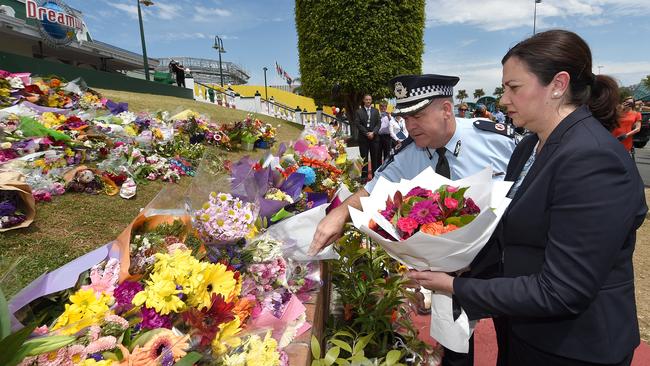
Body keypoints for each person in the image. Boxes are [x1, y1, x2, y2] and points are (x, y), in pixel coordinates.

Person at [407, 30, 647, 366]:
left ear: (558, 85)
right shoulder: (529, 147)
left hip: (575, 348)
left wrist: (455, 288)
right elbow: (513, 239)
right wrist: (457, 264)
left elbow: (562, 291)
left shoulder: (592, 159)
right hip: (526, 333)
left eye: (513, 88)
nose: (503, 100)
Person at [310, 74, 516, 366]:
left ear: (446, 110)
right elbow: (372, 189)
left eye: (417, 115)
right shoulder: (409, 153)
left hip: (503, 258)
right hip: (450, 268)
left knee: (513, 336)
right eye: (405, 117)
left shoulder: (496, 139)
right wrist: (339, 214)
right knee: (455, 347)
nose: (409, 125)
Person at [353, 94, 381, 179]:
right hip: (363, 139)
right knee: (364, 159)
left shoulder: (375, 111)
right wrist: (367, 133)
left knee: (375, 158)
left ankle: (375, 176)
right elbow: (358, 124)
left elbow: (378, 123)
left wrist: (373, 133)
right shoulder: (359, 111)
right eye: (366, 100)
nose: (368, 101)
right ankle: (364, 177)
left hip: (374, 138)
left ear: (371, 101)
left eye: (369, 100)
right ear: (363, 100)